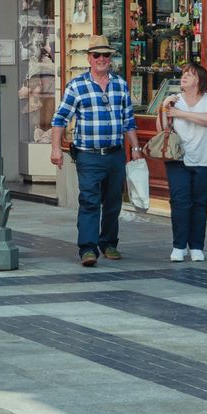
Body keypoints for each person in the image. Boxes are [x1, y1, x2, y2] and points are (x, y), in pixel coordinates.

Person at [51, 35, 144, 266]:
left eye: (106, 55)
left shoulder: (120, 84)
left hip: (114, 154)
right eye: (97, 55)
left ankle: (109, 243)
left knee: (113, 202)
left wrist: (136, 148)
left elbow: (128, 121)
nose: (101, 59)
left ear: (110, 58)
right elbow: (60, 118)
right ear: (89, 58)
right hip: (88, 155)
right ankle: (88, 249)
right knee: (90, 201)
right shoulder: (77, 85)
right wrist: (55, 149)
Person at [159, 60, 207, 262]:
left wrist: (180, 113)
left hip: (205, 159)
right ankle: (179, 246)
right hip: (178, 158)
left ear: (199, 80)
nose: (184, 76)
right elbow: (162, 129)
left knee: (199, 204)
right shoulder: (175, 100)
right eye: (184, 73)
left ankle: (196, 246)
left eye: (190, 74)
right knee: (179, 202)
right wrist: (164, 108)